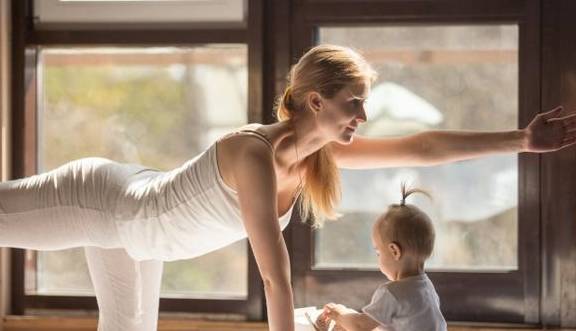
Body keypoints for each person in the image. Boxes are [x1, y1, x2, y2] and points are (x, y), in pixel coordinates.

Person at [1, 44, 575, 331]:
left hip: (138, 240)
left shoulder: (314, 161)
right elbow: (274, 277)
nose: (364, 117)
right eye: (355, 104)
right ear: (315, 102)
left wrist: (522, 142)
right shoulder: (253, 154)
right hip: (103, 201)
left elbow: (422, 147)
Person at [316, 184, 446, 331]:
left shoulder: (392, 293)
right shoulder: (427, 288)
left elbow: (360, 325)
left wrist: (339, 315)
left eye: (378, 252)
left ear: (394, 251)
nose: (378, 258)